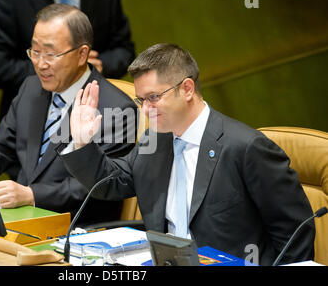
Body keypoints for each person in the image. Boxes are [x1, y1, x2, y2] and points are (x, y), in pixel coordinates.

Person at [59, 43, 315, 265]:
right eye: (141, 100)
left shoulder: (246, 148)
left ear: (188, 89)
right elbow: (113, 183)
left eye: (154, 97)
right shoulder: (155, 140)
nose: (146, 110)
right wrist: (82, 142)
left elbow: (295, 234)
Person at [0, 4, 137, 224]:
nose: (40, 64)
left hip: (75, 230)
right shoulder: (31, 88)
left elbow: (101, 183)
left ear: (81, 54)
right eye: (35, 51)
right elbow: (0, 149)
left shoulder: (116, 109)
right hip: (17, 221)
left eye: (50, 54)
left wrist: (31, 194)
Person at [0, 0, 135, 122]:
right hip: (29, 120)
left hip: (97, 118)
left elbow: (124, 50)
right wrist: (60, 69)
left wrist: (96, 67)